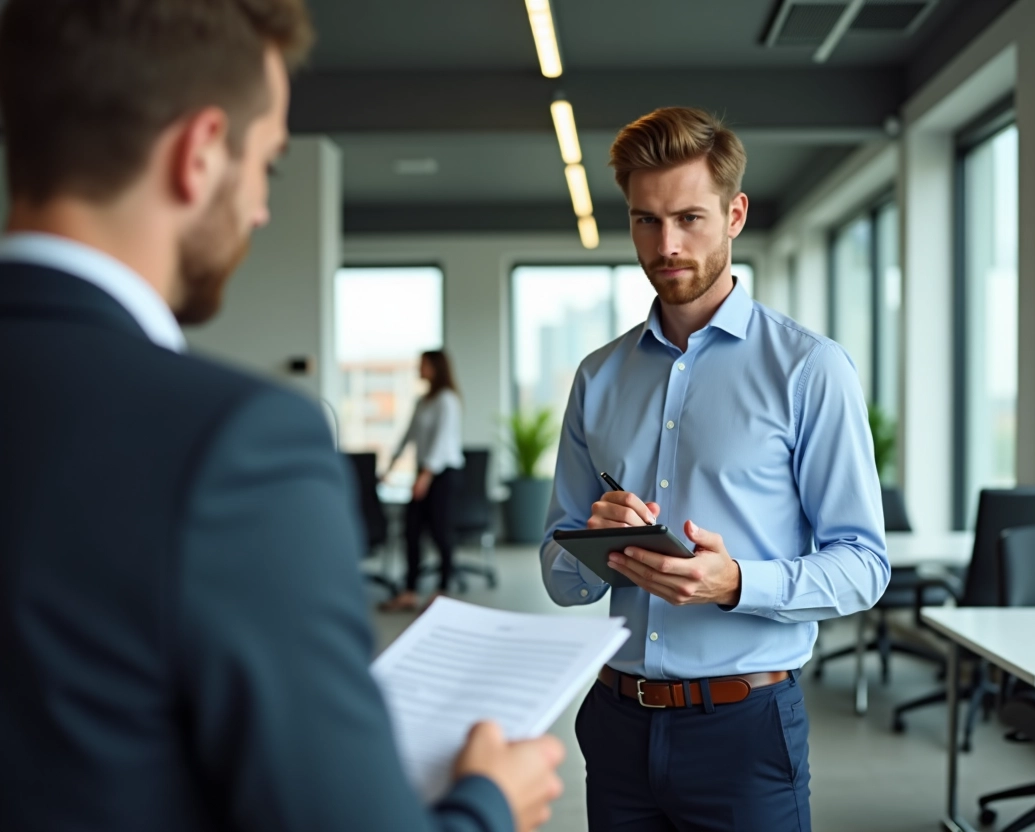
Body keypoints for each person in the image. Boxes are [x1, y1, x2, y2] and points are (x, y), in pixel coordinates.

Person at [0, 2, 562, 831]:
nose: (261, 209)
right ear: (198, 156)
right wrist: (487, 804)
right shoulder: (237, 445)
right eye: (266, 166)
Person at [540, 107, 890, 831]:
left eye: (689, 219)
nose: (665, 246)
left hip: (745, 729)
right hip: (616, 726)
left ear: (734, 214)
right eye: (645, 221)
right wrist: (595, 549)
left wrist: (738, 583)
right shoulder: (597, 377)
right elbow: (556, 570)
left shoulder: (808, 370)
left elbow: (863, 566)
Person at [380, 349, 465, 612]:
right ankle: (410, 591)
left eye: (424, 364)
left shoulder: (447, 400)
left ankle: (443, 588)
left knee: (440, 531)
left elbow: (441, 442)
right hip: (423, 473)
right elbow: (409, 435)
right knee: (412, 530)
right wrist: (391, 465)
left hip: (442, 474)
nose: (419, 368)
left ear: (436, 368)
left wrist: (426, 476)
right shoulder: (423, 401)